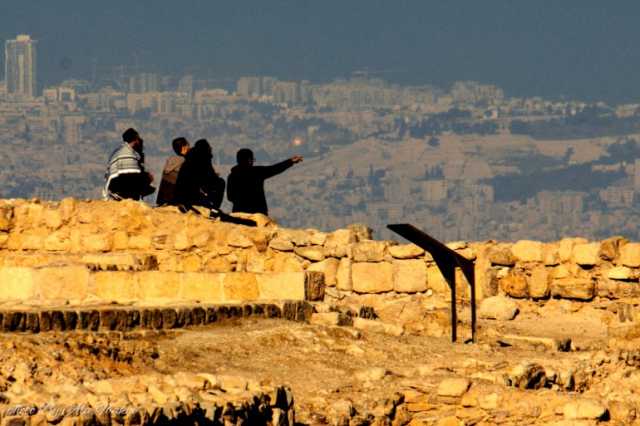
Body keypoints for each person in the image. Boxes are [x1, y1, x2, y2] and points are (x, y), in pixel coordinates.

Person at [226, 148, 303, 215]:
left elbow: (230, 197)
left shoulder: (232, 176)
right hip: (258, 214)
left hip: (239, 214)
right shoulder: (257, 172)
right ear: (249, 160)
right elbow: (274, 169)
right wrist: (290, 162)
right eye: (252, 160)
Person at [103, 128, 155, 200]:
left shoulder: (119, 150)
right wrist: (147, 177)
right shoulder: (128, 153)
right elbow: (131, 176)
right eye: (138, 139)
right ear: (135, 140)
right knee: (146, 179)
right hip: (120, 185)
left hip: (114, 185)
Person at [174, 139, 225, 210]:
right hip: (193, 193)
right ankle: (214, 208)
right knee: (221, 182)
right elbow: (209, 176)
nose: (211, 148)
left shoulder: (187, 159)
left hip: (184, 194)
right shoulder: (201, 156)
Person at [156, 137, 190, 206]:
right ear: (184, 147)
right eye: (188, 145)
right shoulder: (185, 161)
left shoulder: (170, 160)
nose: (189, 147)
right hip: (175, 199)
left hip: (163, 199)